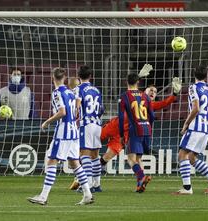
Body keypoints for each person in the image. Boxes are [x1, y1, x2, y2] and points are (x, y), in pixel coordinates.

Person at [69, 65, 182, 191]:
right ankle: (81, 178)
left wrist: (174, 95)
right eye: (151, 90)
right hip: (114, 126)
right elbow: (132, 87)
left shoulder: (146, 102)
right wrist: (138, 77)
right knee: (87, 150)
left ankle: (91, 182)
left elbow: (162, 103)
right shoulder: (133, 96)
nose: (153, 93)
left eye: (155, 92)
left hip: (124, 133)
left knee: (103, 157)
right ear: (143, 90)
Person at [27, 67, 93, 206]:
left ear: (52, 78)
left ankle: (43, 196)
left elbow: (62, 112)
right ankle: (87, 194)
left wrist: (46, 122)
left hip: (63, 132)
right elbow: (76, 111)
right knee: (75, 163)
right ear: (64, 78)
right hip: (74, 131)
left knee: (51, 161)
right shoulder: (70, 92)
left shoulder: (57, 93)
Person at [173, 66, 208, 195]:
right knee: (192, 158)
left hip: (195, 127)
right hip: (206, 128)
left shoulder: (193, 87)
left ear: (194, 75)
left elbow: (195, 108)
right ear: (206, 76)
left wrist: (186, 123)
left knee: (182, 155)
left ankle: (187, 188)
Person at [119, 73, 154, 193]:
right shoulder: (145, 96)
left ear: (126, 82)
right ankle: (140, 185)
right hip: (147, 129)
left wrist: (121, 135)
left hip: (135, 129)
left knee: (130, 158)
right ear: (138, 82)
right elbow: (152, 115)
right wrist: (149, 128)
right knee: (139, 158)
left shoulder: (124, 96)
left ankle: (141, 176)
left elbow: (121, 117)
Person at [75, 66, 104, 193]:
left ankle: (87, 185)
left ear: (78, 76)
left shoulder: (78, 89)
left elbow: (77, 106)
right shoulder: (96, 90)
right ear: (90, 76)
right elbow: (102, 109)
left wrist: (75, 119)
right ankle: (97, 185)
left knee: (84, 154)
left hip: (85, 124)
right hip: (97, 124)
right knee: (95, 155)